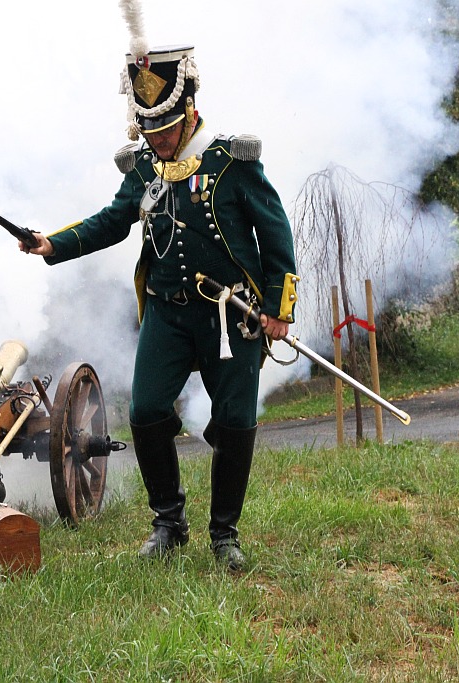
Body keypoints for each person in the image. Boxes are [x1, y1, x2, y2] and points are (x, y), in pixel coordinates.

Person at [19, 45, 298, 571]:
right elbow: (112, 220)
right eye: (149, 133)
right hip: (166, 313)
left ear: (188, 112)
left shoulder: (230, 161)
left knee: (235, 420)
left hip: (229, 315)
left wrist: (280, 308)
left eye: (166, 131)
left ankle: (224, 536)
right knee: (146, 411)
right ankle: (169, 521)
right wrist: (52, 243)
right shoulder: (146, 165)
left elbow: (275, 232)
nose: (158, 142)